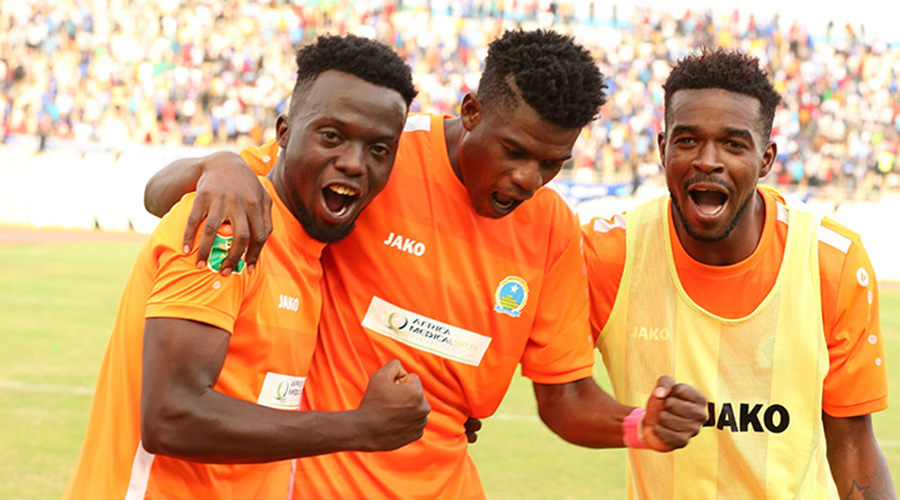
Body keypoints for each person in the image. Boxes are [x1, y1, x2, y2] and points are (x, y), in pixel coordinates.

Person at [144, 29, 709, 499]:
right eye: (514, 151)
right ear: (471, 110)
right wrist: (218, 164)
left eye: (551, 163)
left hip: (447, 484)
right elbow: (181, 191)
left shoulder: (552, 229)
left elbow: (565, 397)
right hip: (318, 481)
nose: (529, 179)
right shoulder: (379, 153)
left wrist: (640, 426)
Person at [62, 34, 431, 500]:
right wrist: (360, 427)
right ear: (283, 134)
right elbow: (171, 417)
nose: (355, 163)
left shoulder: (310, 248)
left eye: (379, 148)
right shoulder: (227, 224)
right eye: (332, 136)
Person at [582, 48, 895, 499]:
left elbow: (853, 444)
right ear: (662, 147)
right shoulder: (609, 254)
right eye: (688, 140)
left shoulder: (830, 261)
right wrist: (637, 424)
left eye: (733, 144)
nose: (708, 160)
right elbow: (559, 394)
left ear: (766, 159)